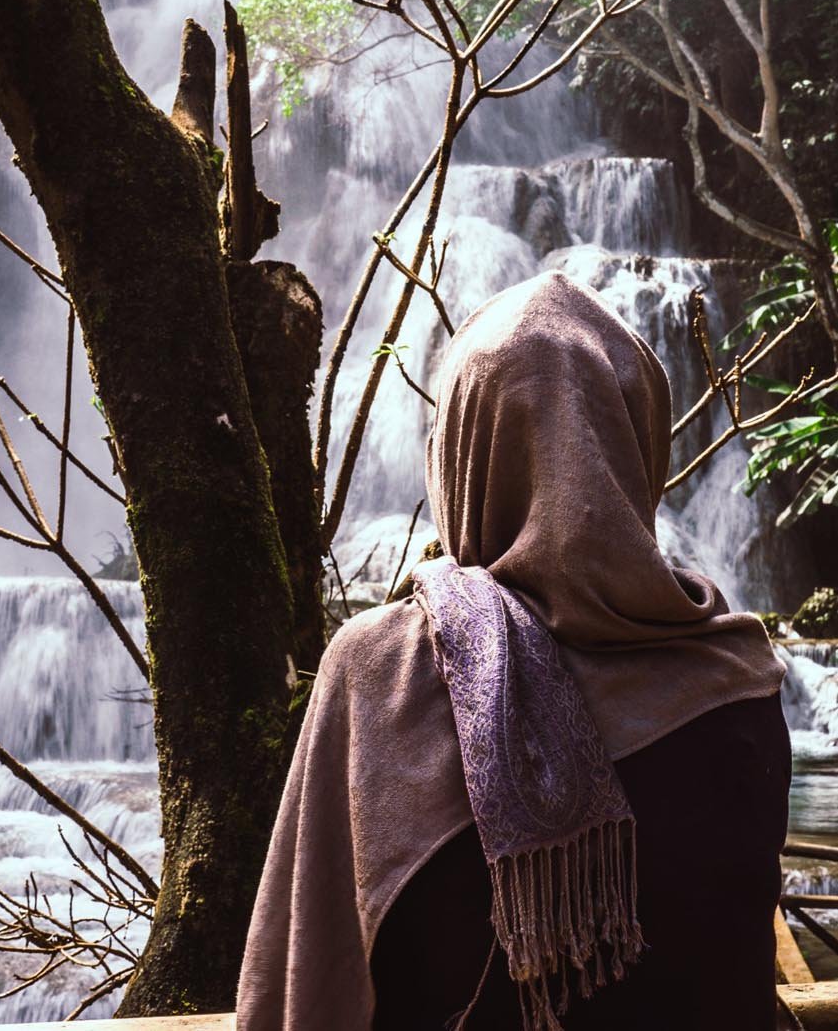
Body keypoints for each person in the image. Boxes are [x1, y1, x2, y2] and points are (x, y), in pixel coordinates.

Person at [237, 271, 791, 1030]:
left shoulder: (377, 672)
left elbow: (308, 971)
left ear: (460, 448)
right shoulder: (737, 675)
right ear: (636, 446)